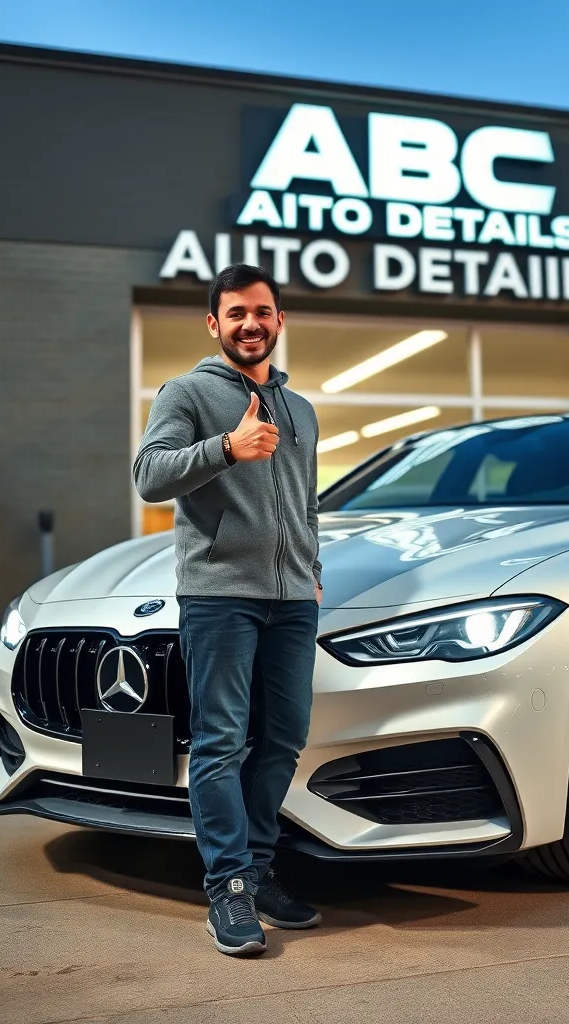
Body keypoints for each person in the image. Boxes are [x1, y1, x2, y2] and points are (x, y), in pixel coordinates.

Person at [133, 264, 323, 957]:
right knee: (220, 743)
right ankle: (229, 887)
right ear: (215, 324)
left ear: (279, 321)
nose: (251, 324)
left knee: (283, 740)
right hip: (219, 597)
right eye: (236, 313)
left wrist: (314, 570)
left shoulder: (300, 410)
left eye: (263, 312)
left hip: (292, 601)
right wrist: (226, 449)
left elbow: (306, 503)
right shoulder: (186, 392)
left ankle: (261, 868)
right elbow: (149, 475)